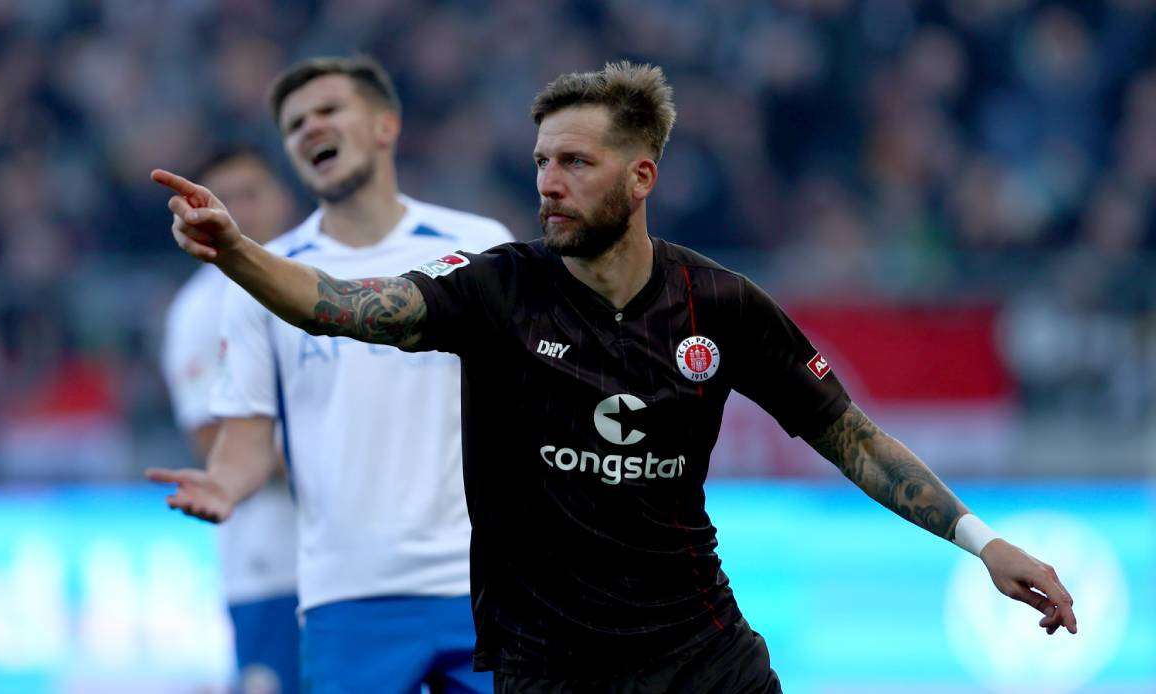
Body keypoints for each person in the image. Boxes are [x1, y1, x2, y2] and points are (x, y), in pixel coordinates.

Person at [152, 61, 1077, 693]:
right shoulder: (499, 288)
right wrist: (236, 251)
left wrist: (984, 543)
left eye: (575, 163)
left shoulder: (722, 305)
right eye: (542, 161)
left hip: (698, 650)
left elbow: (852, 438)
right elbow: (339, 306)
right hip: (545, 664)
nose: (549, 181)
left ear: (640, 177)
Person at [148, 55, 512, 693]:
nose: (310, 128)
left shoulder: (480, 245)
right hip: (345, 595)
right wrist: (226, 487)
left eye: (328, 111)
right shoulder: (264, 276)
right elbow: (247, 438)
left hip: (481, 585)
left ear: (384, 125)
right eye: (294, 125)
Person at [159, 146, 301, 693]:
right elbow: (210, 438)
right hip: (267, 562)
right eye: (224, 197)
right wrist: (338, 460)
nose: (239, 209)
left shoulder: (320, 276)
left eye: (251, 194)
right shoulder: (199, 308)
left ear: (281, 198)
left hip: (356, 555)